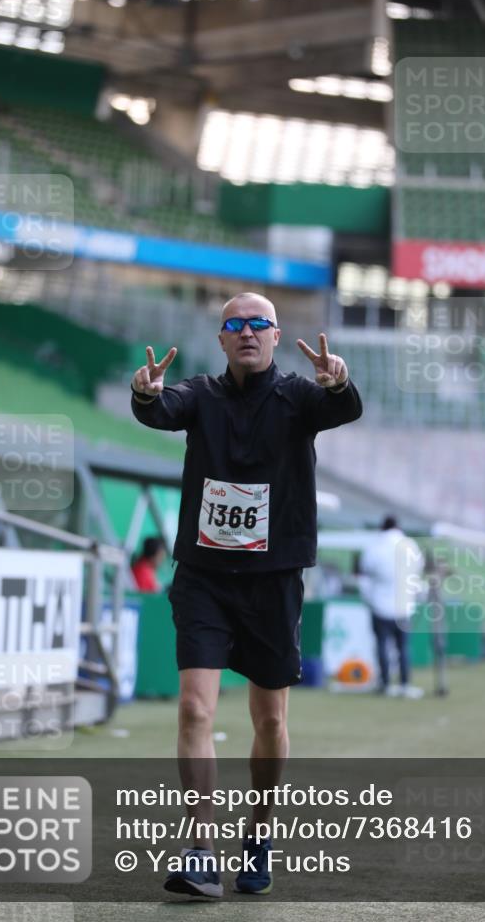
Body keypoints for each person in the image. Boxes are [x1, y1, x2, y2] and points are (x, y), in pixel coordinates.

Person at [130, 292, 362, 898]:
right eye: (235, 324)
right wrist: (146, 392)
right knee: (194, 709)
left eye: (259, 323)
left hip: (273, 580)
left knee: (269, 719)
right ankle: (201, 845)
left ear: (276, 335)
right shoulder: (200, 394)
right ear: (223, 339)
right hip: (204, 577)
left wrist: (337, 383)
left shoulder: (298, 399)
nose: (247, 332)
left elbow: (344, 408)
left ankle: (258, 833)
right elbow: (159, 410)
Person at [358, 516, 425, 699]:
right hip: (404, 605)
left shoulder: (375, 546)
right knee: (403, 647)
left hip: (380, 604)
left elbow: (365, 570)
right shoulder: (410, 544)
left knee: (382, 645)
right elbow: (417, 570)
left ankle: (385, 683)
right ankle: (405, 684)